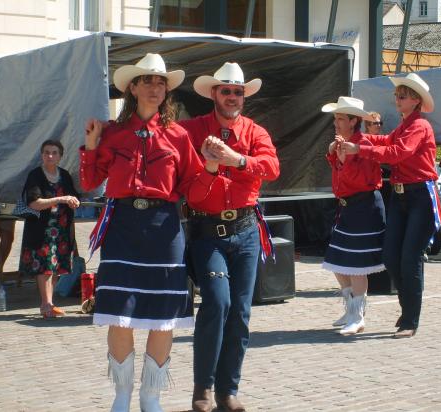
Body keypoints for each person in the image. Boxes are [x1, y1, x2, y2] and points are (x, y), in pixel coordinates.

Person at [80, 53, 215, 412]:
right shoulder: (111, 133)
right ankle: (121, 395)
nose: (156, 87)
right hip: (122, 225)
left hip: (164, 229)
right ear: (133, 88)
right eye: (149, 81)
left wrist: (213, 168)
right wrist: (92, 145)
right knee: (120, 311)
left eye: (161, 82)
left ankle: (150, 397)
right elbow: (91, 181)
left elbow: (195, 188)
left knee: (163, 314)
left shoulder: (178, 135)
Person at [179, 62, 280, 412]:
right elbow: (191, 192)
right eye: (227, 90)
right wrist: (209, 166)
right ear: (213, 94)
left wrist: (237, 160)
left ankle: (227, 391)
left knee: (240, 312)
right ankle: (203, 388)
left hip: (245, 231)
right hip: (207, 232)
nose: (233, 96)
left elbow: (272, 168)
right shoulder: (191, 130)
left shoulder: (255, 131)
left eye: (238, 91)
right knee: (217, 303)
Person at [342, 73, 439, 338]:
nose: (397, 98)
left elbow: (397, 153)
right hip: (402, 195)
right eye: (397, 95)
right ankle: (408, 312)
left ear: (416, 100)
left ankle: (410, 319)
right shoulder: (406, 124)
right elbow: (387, 142)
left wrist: (358, 148)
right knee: (391, 257)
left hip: (420, 195)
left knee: (409, 259)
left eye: (403, 95)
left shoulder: (420, 126)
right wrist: (360, 140)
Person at [320, 97, 385, 335]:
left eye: (340, 119)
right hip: (347, 207)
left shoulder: (363, 143)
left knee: (357, 265)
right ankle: (351, 310)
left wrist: (342, 159)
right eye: (335, 119)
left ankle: (358, 317)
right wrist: (333, 155)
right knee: (337, 261)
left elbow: (360, 180)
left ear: (353, 121)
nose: (335, 124)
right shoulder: (345, 142)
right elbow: (340, 177)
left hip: (364, 207)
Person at [18, 140, 80, 317]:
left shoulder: (65, 175)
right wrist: (61, 199)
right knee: (44, 268)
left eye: (54, 153)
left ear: (60, 156)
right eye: (46, 152)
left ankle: (50, 303)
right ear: (41, 155)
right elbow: (34, 203)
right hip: (41, 230)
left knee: (56, 268)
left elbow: (73, 196)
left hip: (61, 230)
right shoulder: (35, 175)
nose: (50, 156)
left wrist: (74, 201)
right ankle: (45, 305)